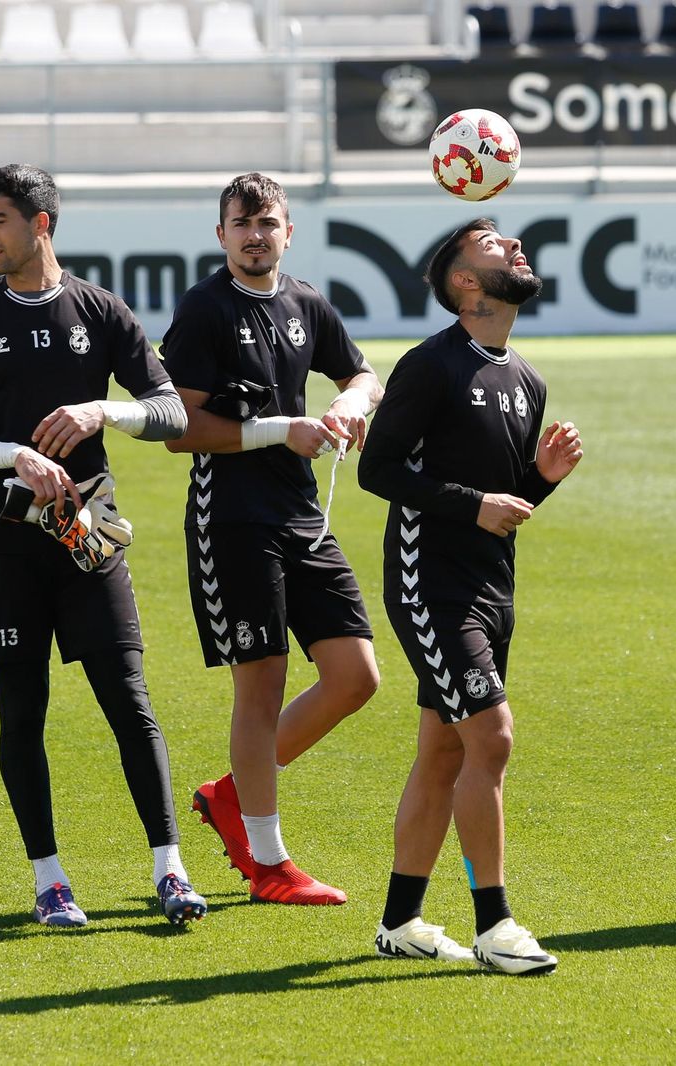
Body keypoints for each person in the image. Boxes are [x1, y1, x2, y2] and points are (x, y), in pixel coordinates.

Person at [0, 164, 206, 928]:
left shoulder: (101, 311)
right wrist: (13, 454)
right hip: (5, 540)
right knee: (24, 713)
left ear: (42, 224)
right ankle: (50, 882)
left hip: (89, 534)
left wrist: (101, 412)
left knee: (130, 703)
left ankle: (171, 870)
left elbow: (172, 412)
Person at [359, 219, 584, 974]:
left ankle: (400, 923)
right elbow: (379, 471)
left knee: (444, 751)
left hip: (493, 588)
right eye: (493, 244)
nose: (515, 247)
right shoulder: (431, 365)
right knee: (493, 737)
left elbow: (504, 505)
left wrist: (539, 484)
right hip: (431, 586)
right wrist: (475, 503)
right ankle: (495, 925)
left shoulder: (526, 379)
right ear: (463, 280)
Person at [159, 172, 383, 905]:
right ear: (220, 234)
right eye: (241, 223)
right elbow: (179, 428)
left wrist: (350, 401)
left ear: (290, 231)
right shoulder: (205, 309)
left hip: (302, 515)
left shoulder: (304, 301)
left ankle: (231, 794)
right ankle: (267, 862)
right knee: (262, 684)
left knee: (356, 678)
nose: (256, 235)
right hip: (232, 519)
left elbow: (363, 371)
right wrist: (281, 430)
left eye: (268, 222)